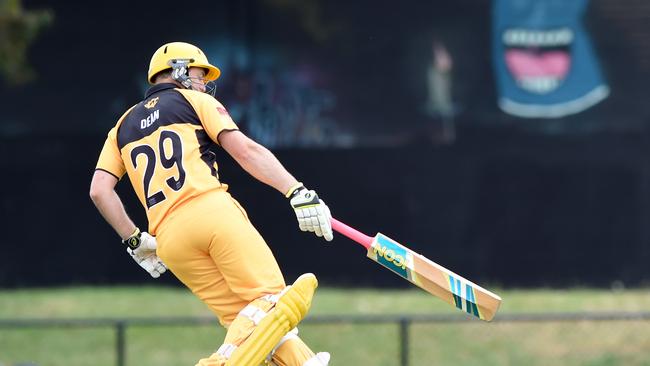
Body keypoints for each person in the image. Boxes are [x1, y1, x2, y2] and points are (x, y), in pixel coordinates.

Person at [89, 41, 333, 366]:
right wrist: (297, 191)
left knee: (253, 323)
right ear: (178, 70)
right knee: (273, 301)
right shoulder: (194, 100)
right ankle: (219, 362)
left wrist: (134, 239)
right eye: (199, 73)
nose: (204, 81)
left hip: (169, 241)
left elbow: (99, 191)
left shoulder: (120, 128)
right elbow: (246, 151)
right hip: (211, 213)